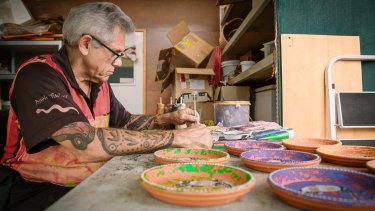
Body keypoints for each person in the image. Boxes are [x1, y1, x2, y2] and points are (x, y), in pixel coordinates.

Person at [0, 2, 212, 210]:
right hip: (37, 189)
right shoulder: (37, 75)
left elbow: (126, 122)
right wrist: (178, 138)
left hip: (89, 180)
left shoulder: (99, 84)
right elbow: (87, 144)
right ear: (85, 44)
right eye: (117, 53)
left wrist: (166, 119)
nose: (119, 62)